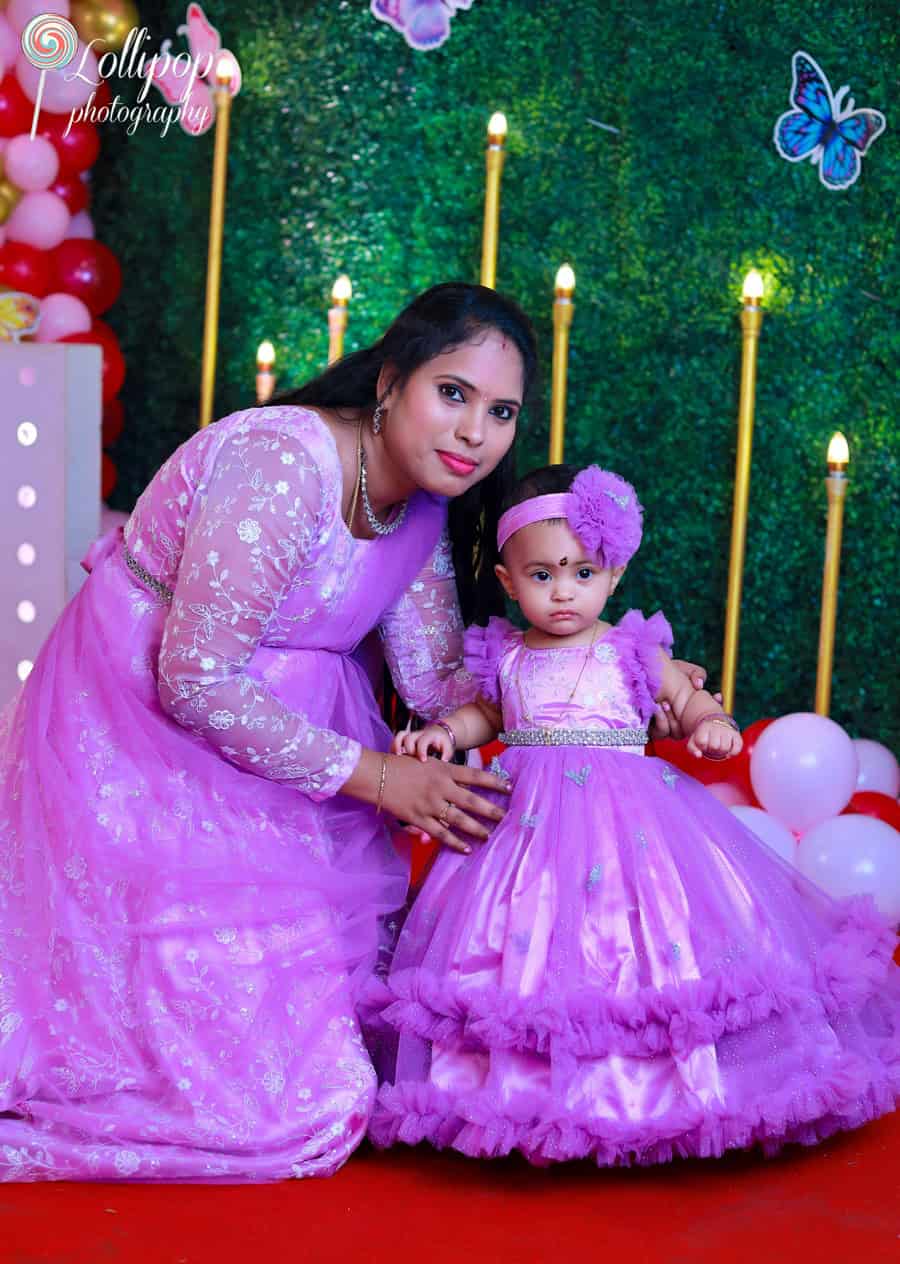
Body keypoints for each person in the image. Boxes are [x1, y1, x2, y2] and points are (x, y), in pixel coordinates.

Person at [0, 285, 710, 1182]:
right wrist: (378, 778)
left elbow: (437, 679)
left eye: (500, 412)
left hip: (297, 747)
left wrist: (589, 686)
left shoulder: (420, 502)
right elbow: (192, 677)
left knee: (359, 1051)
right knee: (295, 1100)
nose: (474, 433)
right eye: (452, 393)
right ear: (389, 381)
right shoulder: (281, 464)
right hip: (142, 728)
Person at [369, 463, 900, 1167]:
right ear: (506, 580)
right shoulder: (506, 654)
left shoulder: (632, 649)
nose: (563, 592)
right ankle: (520, 1089)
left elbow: (686, 701)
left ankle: (663, 1087)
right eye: (541, 576)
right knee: (511, 943)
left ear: (613, 575)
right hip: (520, 826)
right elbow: (483, 713)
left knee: (646, 935)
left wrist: (709, 723)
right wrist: (445, 731)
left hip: (630, 821)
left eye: (582, 574)